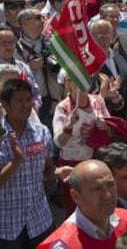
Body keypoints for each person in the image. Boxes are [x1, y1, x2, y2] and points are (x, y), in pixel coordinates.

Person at [0, 79, 71, 249]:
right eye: (19, 100)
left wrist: (57, 172)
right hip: (7, 225)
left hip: (39, 220)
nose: (26, 105)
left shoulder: (41, 132)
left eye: (28, 99)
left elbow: (47, 169)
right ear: (5, 105)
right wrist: (16, 162)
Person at [38, 160, 127, 249]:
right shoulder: (64, 244)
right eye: (97, 189)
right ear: (76, 196)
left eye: (110, 185)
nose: (108, 195)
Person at [52, 70, 113, 215]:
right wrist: (68, 127)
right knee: (75, 205)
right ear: (69, 85)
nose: (82, 84)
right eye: (76, 80)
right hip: (72, 162)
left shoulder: (98, 101)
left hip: (95, 159)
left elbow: (112, 131)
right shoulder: (63, 108)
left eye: (85, 80)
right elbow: (58, 142)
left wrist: (105, 126)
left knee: (96, 201)